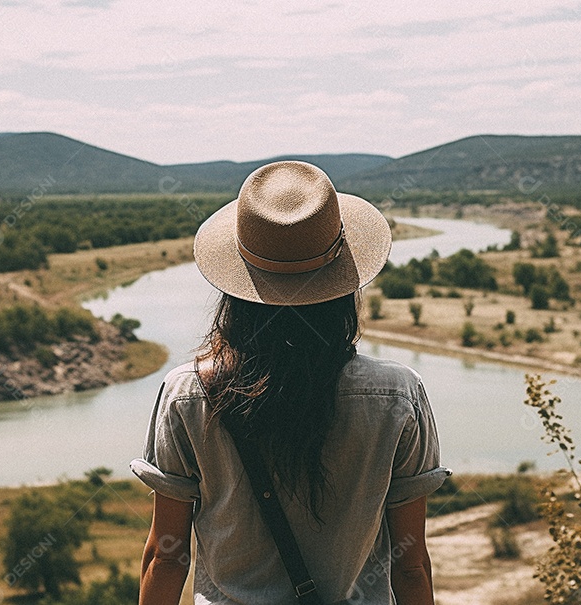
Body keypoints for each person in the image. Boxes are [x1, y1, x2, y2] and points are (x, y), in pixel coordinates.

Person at [131, 161, 450, 604]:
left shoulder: (188, 394)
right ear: (343, 287)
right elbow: (410, 565)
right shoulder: (398, 396)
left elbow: (167, 558)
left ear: (236, 286)